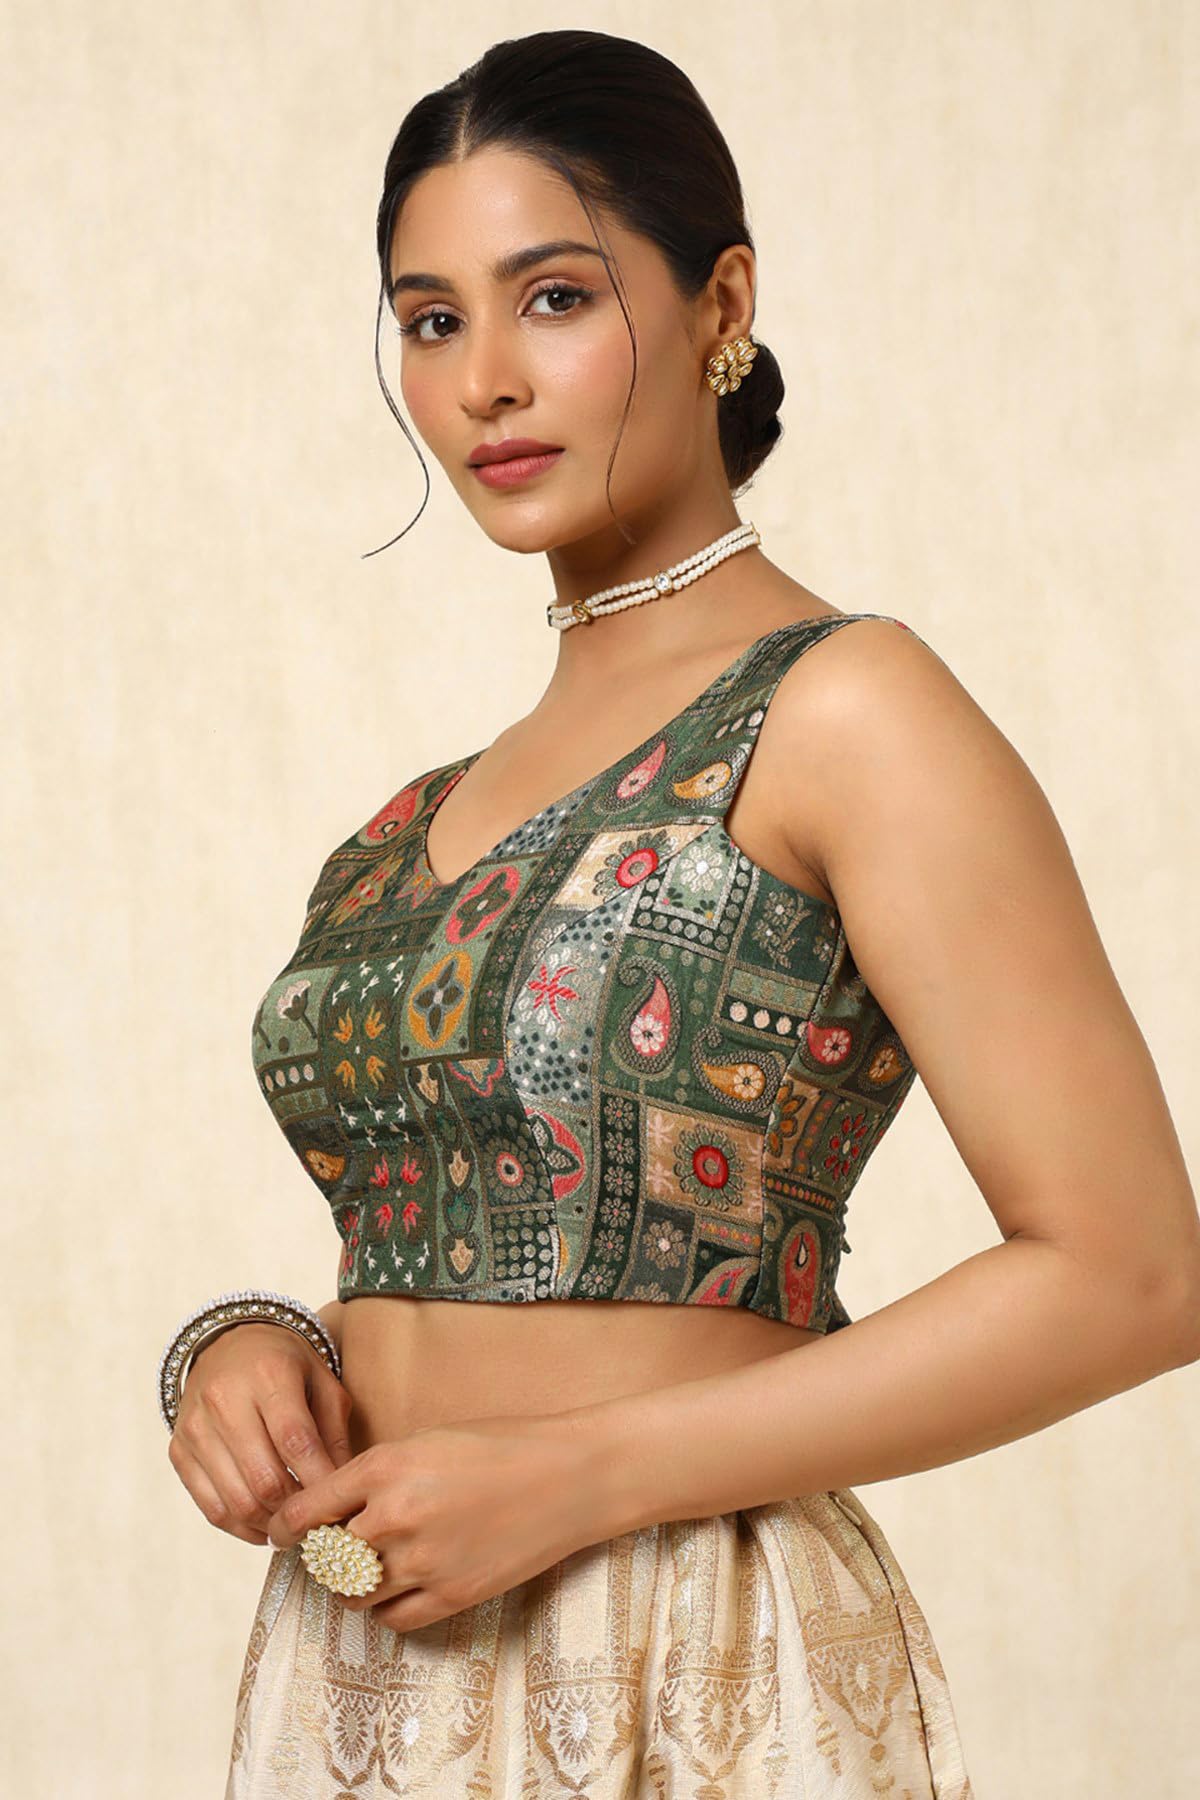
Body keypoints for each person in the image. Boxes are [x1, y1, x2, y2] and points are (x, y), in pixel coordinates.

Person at [159, 30, 1200, 1799]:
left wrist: (579, 1476)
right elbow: (488, 1247)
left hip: (682, 1650)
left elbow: (1133, 1274)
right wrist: (252, 1354)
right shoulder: (405, 831)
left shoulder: (844, 710)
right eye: (431, 320)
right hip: (362, 1665)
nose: (487, 380)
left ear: (722, 303)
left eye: (554, 298)